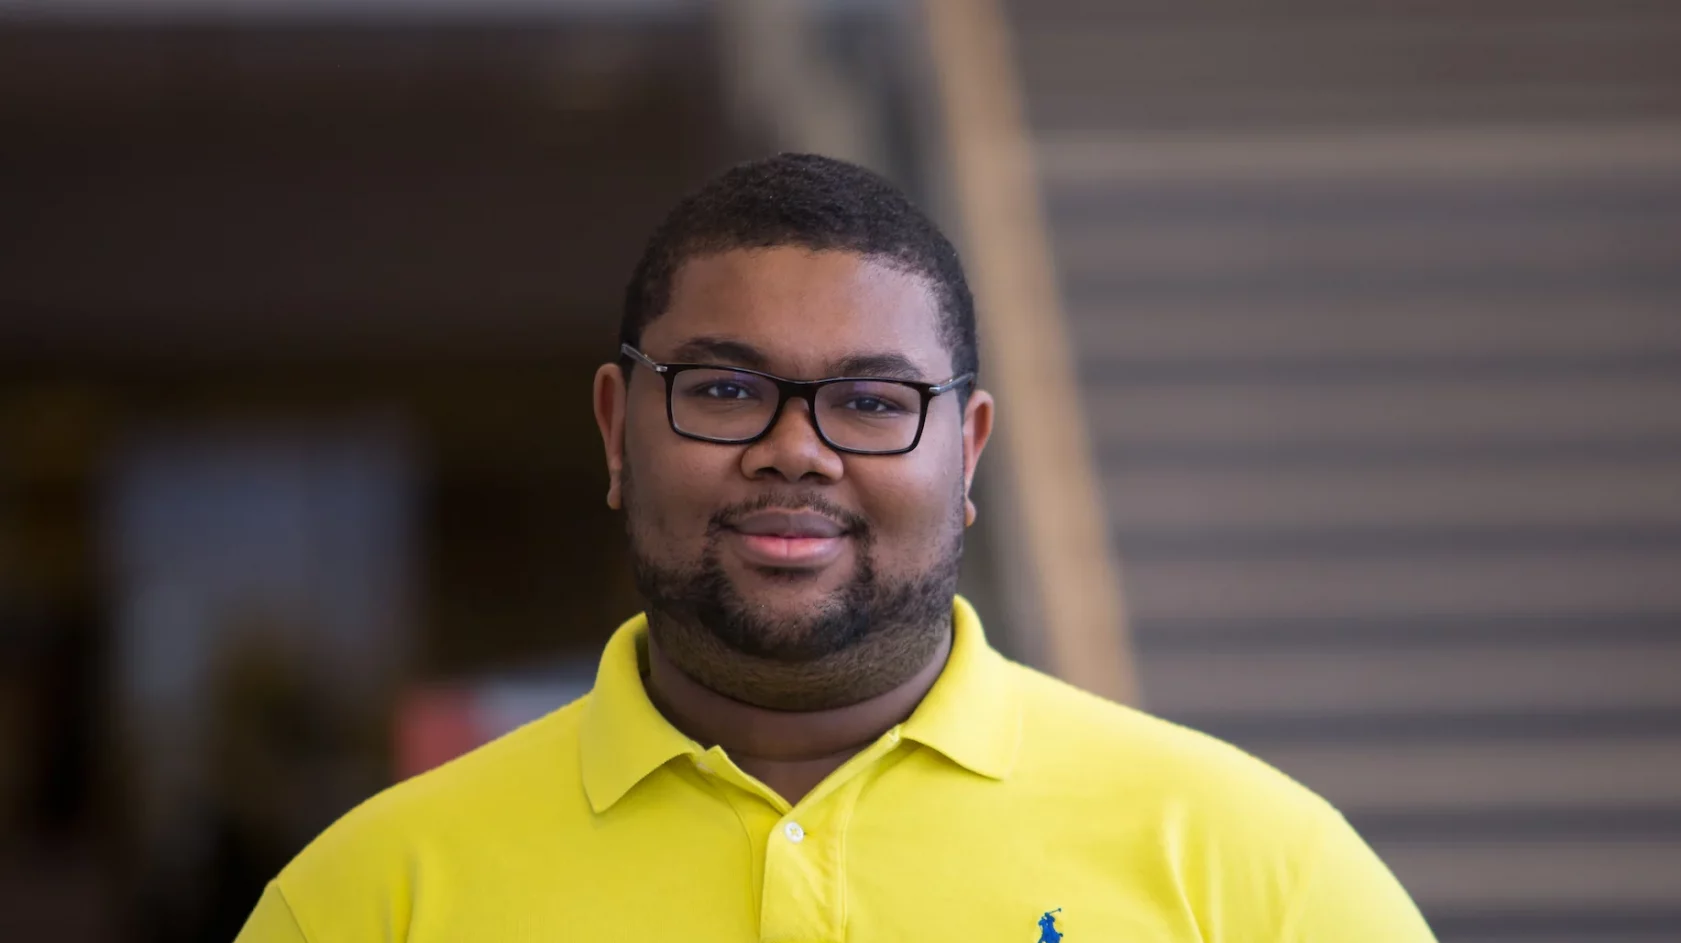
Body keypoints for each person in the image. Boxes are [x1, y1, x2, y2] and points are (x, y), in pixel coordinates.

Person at [234, 154, 1434, 942]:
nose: (796, 451)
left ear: (966, 452)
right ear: (617, 428)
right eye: (722, 388)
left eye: (869, 400)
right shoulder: (368, 899)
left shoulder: (1250, 873)